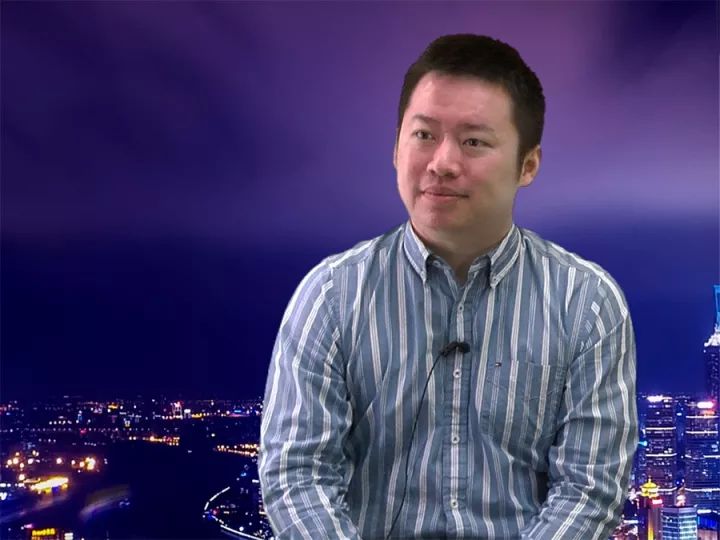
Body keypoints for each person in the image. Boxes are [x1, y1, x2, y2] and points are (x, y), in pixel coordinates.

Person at [259, 34, 638, 540]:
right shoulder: (330, 296)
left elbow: (589, 491)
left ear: (528, 165)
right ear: (395, 149)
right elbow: (297, 477)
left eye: (473, 141)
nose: (441, 162)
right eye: (423, 135)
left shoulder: (586, 303)